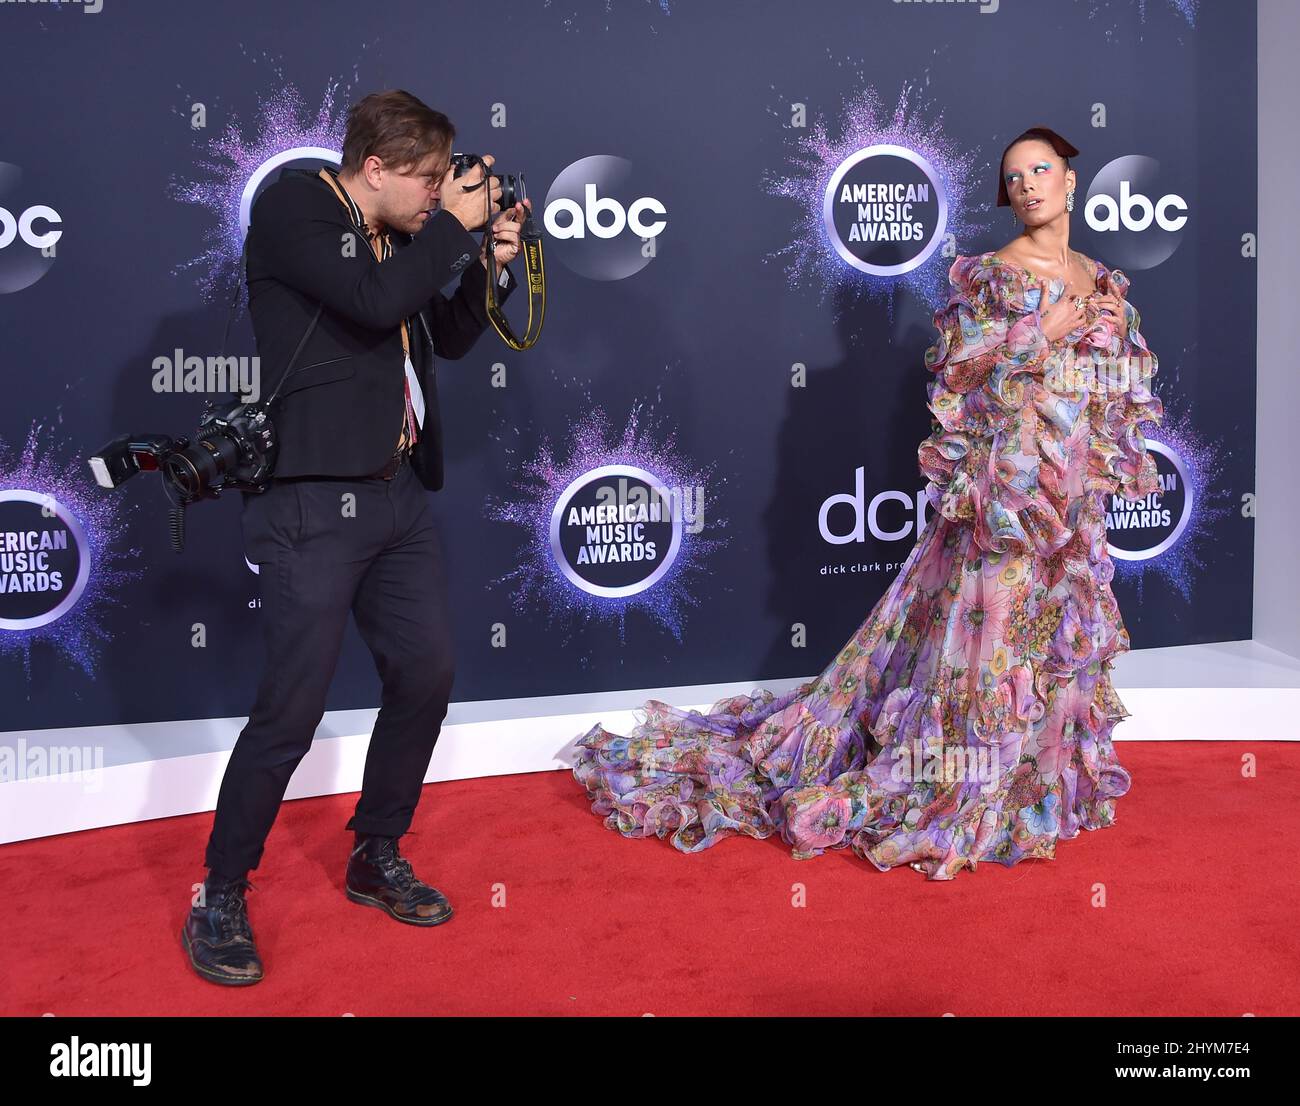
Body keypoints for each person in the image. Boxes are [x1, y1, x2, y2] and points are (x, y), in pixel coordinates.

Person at [572, 126, 1163, 881]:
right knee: (993, 643)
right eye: (1014, 176)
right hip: (1008, 498)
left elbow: (1120, 390)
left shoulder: (1101, 279)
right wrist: (1035, 336)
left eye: (1041, 169)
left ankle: (1035, 785)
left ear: (1072, 180)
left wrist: (1104, 456)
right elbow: (959, 375)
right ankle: (966, 789)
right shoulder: (992, 277)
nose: (1028, 184)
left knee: (1052, 638)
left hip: (1075, 502)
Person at [183, 89, 529, 986]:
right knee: (292, 707)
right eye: (421, 181)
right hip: (310, 501)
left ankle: (376, 849)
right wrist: (449, 233)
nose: (432, 196)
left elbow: (443, 337)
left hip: (397, 495)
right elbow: (374, 303)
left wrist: (490, 257)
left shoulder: (410, 235)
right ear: (372, 168)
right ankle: (221, 888)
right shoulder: (296, 203)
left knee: (426, 673)